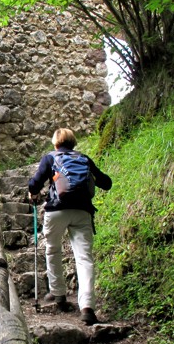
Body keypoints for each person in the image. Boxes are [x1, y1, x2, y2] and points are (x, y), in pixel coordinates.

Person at [28, 128, 112, 325]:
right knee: (84, 258)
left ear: (55, 143)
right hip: (82, 211)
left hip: (56, 211)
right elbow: (106, 183)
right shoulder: (84, 159)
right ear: (73, 142)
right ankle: (87, 307)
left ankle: (58, 293)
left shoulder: (50, 158)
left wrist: (34, 193)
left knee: (53, 249)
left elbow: (34, 184)